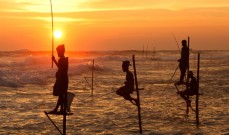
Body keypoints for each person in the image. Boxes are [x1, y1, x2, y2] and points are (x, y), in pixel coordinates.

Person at [49, 44, 69, 114]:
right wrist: (54, 60)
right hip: (64, 79)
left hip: (62, 80)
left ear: (62, 51)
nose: (57, 53)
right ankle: (61, 109)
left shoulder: (62, 60)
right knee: (62, 95)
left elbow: (61, 70)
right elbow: (60, 68)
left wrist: (54, 60)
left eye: (58, 52)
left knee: (61, 95)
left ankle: (58, 109)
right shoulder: (65, 59)